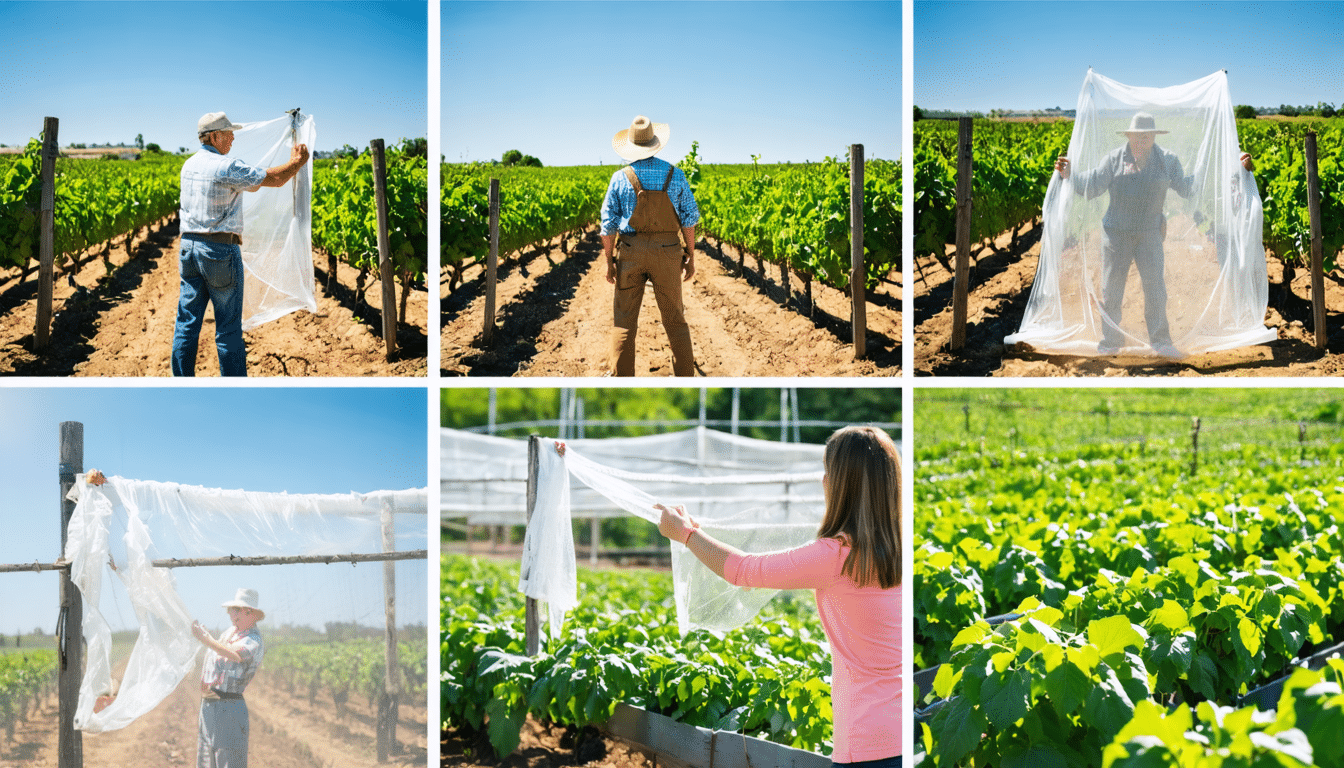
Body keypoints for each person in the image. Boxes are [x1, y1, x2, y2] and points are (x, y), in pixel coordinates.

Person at [653, 426, 901, 767]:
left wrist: (686, 535)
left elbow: (743, 570)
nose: (823, 480)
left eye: (828, 473)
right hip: (904, 733)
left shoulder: (836, 555)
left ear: (837, 485)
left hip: (866, 743)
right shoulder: (900, 547)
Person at [1055, 112, 1254, 358]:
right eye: (1136, 136)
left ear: (1153, 137)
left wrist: (1237, 170)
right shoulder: (1114, 160)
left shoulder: (1167, 160)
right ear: (1129, 136)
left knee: (1156, 289)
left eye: (1146, 136)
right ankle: (1111, 341)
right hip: (1116, 234)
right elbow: (1092, 185)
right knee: (1111, 290)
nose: (1141, 140)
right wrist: (1070, 174)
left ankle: (1161, 341)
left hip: (1150, 233)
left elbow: (1187, 188)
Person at [173, 112, 309, 377]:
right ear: (214, 136)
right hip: (219, 252)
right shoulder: (225, 166)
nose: (233, 137)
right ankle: (234, 387)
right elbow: (274, 179)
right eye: (228, 132)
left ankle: (181, 382)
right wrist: (297, 163)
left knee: (186, 324)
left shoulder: (188, 165)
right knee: (228, 329)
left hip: (188, 249)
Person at [600, 115, 701, 376]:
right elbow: (690, 218)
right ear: (656, 144)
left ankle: (622, 380)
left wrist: (609, 261)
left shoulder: (620, 178)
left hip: (631, 252)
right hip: (668, 252)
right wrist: (690, 254)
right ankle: (685, 379)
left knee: (623, 322)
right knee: (675, 321)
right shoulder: (675, 175)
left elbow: (607, 225)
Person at [192, 588, 266, 768]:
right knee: (206, 761)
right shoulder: (230, 633)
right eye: (233, 609)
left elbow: (235, 655)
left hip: (228, 708)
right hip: (209, 707)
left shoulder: (253, 640)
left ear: (253, 615)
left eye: (240, 610)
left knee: (228, 762)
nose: (234, 614)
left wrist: (207, 640)